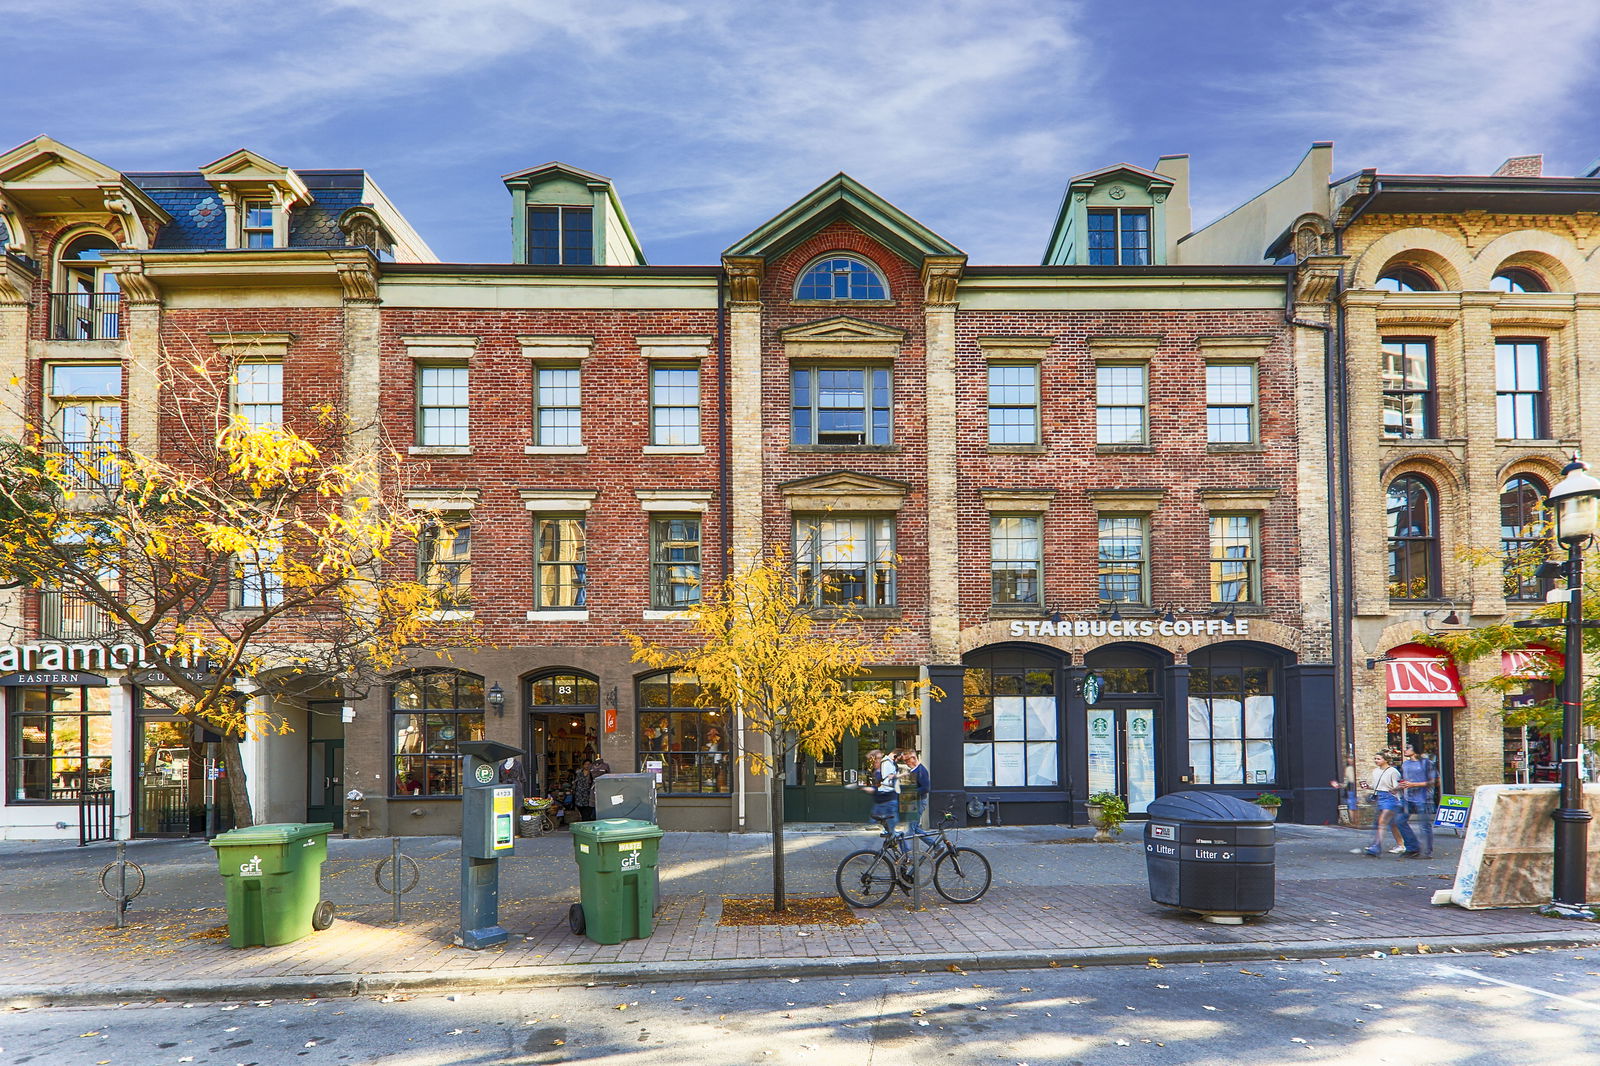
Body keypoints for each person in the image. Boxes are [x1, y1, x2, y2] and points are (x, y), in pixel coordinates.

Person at [1360, 750, 1420, 857]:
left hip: (1391, 798)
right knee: (1392, 823)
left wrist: (1395, 792)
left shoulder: (1393, 772)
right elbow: (1376, 786)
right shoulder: (1375, 771)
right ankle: (1400, 845)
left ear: (1386, 760)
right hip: (1380, 796)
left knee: (1382, 821)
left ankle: (1376, 846)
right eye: (1375, 758)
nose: (1376, 761)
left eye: (1378, 759)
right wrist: (1368, 786)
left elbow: (1398, 786)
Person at [1400, 742, 1438, 859]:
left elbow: (1435, 781)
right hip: (1408, 798)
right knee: (1399, 820)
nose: (1404, 750)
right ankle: (1412, 847)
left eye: (1407, 748)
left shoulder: (1427, 763)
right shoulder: (1405, 764)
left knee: (1424, 825)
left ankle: (1427, 851)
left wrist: (1414, 784)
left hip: (1424, 798)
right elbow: (1404, 780)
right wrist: (1398, 786)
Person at [859, 748, 899, 830]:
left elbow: (887, 786)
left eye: (874, 760)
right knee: (877, 827)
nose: (873, 763)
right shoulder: (877, 771)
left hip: (888, 803)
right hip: (880, 803)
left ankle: (900, 840)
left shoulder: (885, 769)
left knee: (891, 831)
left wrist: (872, 789)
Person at [898, 749, 930, 835]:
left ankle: (907, 847)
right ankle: (935, 845)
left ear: (913, 758)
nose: (905, 762)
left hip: (919, 802)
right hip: (914, 801)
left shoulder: (921, 771)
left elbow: (926, 788)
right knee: (913, 827)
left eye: (907, 760)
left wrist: (910, 794)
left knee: (911, 828)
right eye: (904, 760)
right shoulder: (914, 770)